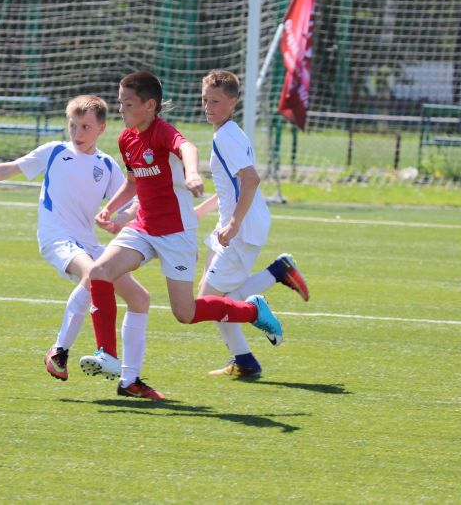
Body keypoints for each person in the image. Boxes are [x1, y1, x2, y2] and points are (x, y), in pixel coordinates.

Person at [82, 71, 283, 400]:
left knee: (185, 313)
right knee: (99, 271)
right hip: (144, 228)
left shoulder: (163, 132)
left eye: (127, 104)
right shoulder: (126, 139)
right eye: (120, 103)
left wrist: (191, 174)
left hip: (177, 233)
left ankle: (252, 311)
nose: (120, 109)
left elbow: (187, 147)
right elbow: (133, 182)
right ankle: (108, 355)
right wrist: (111, 208)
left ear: (150, 105)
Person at [0, 95, 150, 383]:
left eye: (85, 127)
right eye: (73, 126)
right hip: (56, 238)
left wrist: (120, 219)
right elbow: (9, 168)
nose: (77, 133)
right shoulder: (55, 151)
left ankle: (130, 380)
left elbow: (133, 201)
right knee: (93, 275)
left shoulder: (106, 165)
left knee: (139, 298)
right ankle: (60, 351)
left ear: (101, 129)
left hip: (87, 243)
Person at [195, 69, 309, 379]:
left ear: (233, 102)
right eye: (205, 100)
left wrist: (233, 224)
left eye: (215, 101)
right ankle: (245, 361)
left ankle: (264, 294)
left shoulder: (226, 136)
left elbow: (251, 180)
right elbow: (232, 185)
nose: (208, 107)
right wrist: (204, 211)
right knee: (218, 299)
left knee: (208, 302)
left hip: (241, 228)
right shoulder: (230, 132)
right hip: (237, 223)